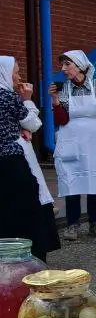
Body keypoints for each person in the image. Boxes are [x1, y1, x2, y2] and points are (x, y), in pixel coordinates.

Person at [49, 50, 96, 240]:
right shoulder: (63, 88)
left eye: (67, 64)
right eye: (62, 65)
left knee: (94, 180)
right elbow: (61, 120)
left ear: (80, 66)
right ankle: (72, 224)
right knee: (72, 179)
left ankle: (95, 223)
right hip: (70, 138)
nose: (63, 69)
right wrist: (55, 101)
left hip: (93, 141)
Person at [0, 56, 59, 260]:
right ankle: (31, 256)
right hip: (12, 161)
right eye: (15, 72)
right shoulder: (7, 96)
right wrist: (27, 99)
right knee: (26, 208)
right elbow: (33, 123)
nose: (18, 77)